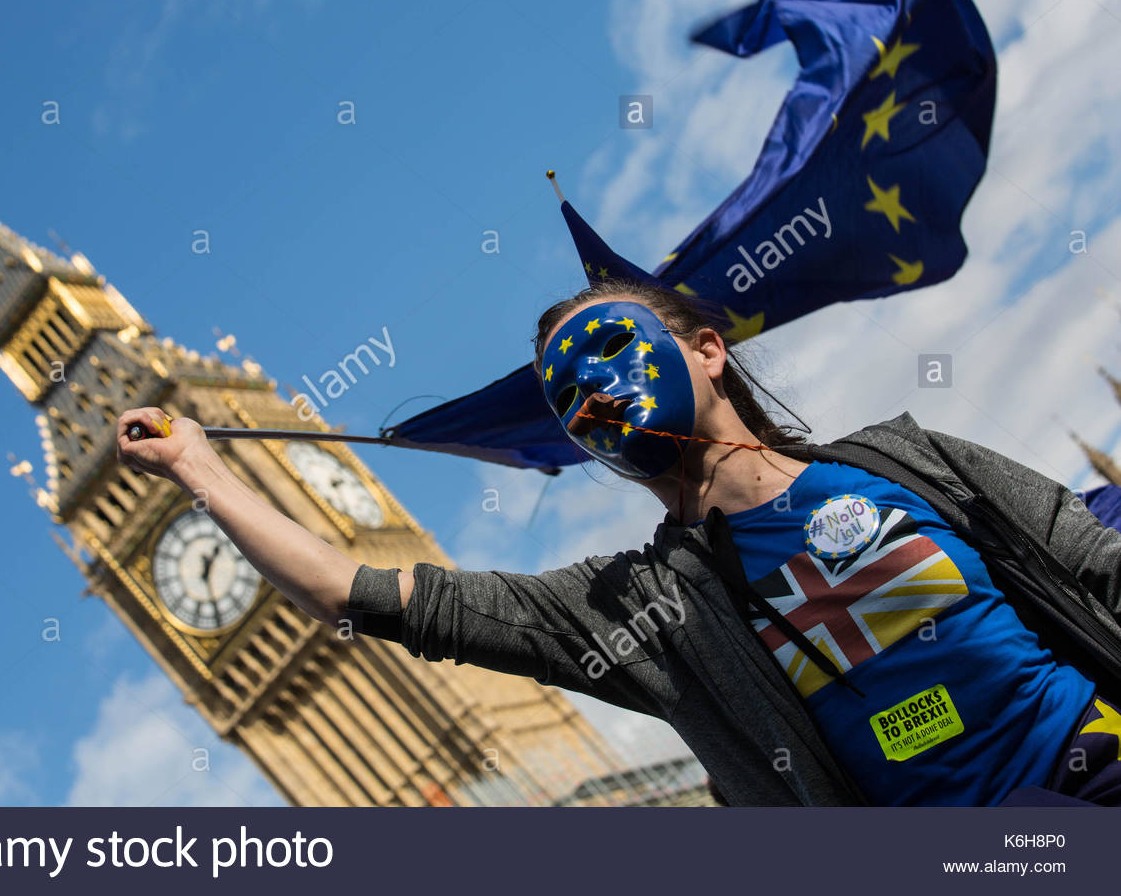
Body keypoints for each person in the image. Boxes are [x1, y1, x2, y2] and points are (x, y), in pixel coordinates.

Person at [117, 278, 1121, 806]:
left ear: (709, 351)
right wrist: (201, 471)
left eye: (609, 346)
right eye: (565, 389)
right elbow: (358, 589)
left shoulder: (905, 460)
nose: (589, 384)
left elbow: (1096, 567)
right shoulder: (635, 609)